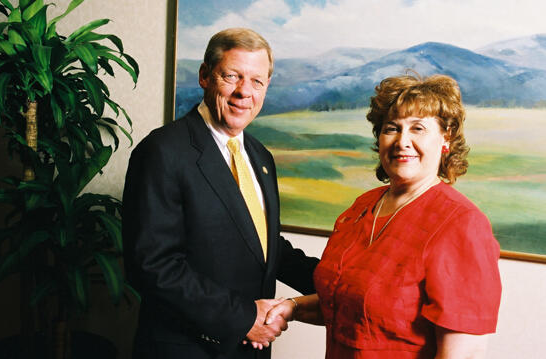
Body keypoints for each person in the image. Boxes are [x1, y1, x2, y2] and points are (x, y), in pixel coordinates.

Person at [265, 73, 502, 358]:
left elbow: (465, 352)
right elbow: (353, 306)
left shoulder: (461, 224)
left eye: (418, 129)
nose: (402, 141)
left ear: (445, 138)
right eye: (392, 128)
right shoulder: (362, 207)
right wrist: (293, 306)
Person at [122, 28, 319, 359]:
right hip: (187, 350)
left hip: (249, 351)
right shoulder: (162, 151)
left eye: (257, 81)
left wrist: (342, 283)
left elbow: (265, 248)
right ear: (204, 76)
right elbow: (153, 266)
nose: (244, 92)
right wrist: (243, 318)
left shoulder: (260, 157)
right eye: (232, 76)